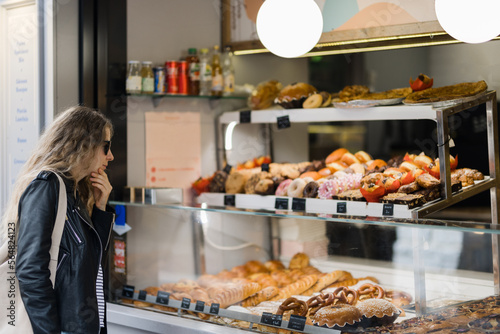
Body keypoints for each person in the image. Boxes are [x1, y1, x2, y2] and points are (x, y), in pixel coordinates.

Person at [1, 106, 115, 333]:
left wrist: (100, 209)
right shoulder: (47, 186)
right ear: (84, 144)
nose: (111, 156)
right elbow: (30, 271)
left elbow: (92, 273)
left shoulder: (75, 193)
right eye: (106, 147)